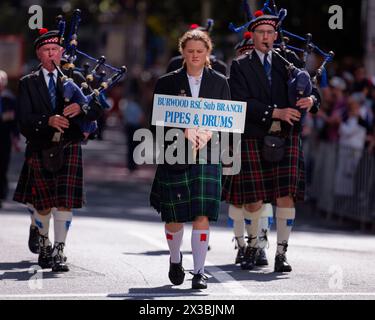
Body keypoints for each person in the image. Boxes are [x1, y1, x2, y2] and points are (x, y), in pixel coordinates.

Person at [222, 11, 321, 272]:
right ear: (253, 36)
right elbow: (240, 102)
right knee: (254, 198)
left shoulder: (288, 60)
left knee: (286, 196)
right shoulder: (240, 66)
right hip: (254, 135)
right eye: (261, 33)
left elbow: (313, 90)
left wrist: (311, 101)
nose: (266, 37)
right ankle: (255, 245)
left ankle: (281, 253)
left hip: (286, 135)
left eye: (270, 33)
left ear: (276, 36)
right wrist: (274, 112)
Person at [13, 28, 102, 272]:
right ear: (39, 55)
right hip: (41, 145)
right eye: (46, 50)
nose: (51, 54)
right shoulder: (28, 83)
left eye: (55, 49)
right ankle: (43, 244)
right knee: (43, 203)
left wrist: (81, 109)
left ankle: (59, 249)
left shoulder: (77, 78)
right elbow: (23, 119)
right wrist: (47, 120)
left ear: (62, 52)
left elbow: (96, 109)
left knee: (64, 202)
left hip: (69, 144)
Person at [150, 29, 230, 289]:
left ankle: (198, 271)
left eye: (200, 51)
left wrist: (209, 131)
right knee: (174, 216)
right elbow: (156, 122)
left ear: (208, 52)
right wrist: (182, 128)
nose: (195, 55)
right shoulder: (167, 83)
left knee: (202, 213)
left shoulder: (220, 82)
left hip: (208, 152)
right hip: (176, 152)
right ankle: (175, 259)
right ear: (182, 52)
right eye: (190, 51)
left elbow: (227, 121)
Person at [227, 32, 274, 266]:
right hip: (235, 142)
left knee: (261, 200)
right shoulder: (230, 81)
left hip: (263, 139)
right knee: (239, 200)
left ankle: (259, 245)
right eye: (243, 52)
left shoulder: (269, 76)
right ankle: (241, 243)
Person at [0, 70, 19, 209]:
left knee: (2, 167)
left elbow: (14, 121)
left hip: (4, 138)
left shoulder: (9, 98)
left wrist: (16, 138)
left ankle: (1, 195)